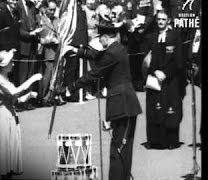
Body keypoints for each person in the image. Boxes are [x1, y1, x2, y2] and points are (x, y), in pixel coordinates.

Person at [59, 23, 142, 180]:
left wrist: (71, 87)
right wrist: (76, 51)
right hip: (124, 103)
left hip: (122, 104)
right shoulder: (116, 49)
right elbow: (98, 55)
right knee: (122, 146)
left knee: (118, 147)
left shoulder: (112, 53)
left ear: (105, 37)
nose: (99, 42)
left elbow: (95, 72)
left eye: (100, 39)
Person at [0, 49, 42, 179]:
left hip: (10, 115)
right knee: (5, 151)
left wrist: (29, 95)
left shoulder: (5, 79)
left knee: (10, 150)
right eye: (11, 62)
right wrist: (32, 79)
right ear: (5, 65)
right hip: (3, 116)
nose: (13, 64)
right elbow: (14, 92)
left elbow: (17, 99)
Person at [143, 10, 185, 150]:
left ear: (168, 20)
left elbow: (178, 61)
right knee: (154, 109)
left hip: (170, 80)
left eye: (163, 19)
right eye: (159, 19)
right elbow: (146, 59)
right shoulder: (150, 37)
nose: (161, 22)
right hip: (155, 79)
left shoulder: (175, 36)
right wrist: (155, 71)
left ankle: (171, 141)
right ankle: (155, 141)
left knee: (170, 110)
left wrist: (166, 73)